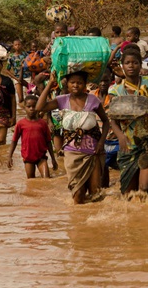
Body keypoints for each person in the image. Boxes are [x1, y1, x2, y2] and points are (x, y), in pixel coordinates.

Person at [36, 71, 110, 204]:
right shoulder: (62, 100)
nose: (76, 85)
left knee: (95, 192)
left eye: (80, 82)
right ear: (67, 85)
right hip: (72, 152)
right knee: (78, 194)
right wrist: (50, 85)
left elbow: (106, 121)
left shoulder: (93, 100)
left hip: (93, 151)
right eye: (73, 82)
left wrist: (101, 143)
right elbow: (39, 107)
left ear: (85, 85)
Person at [109, 48, 148, 199]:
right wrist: (120, 137)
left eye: (135, 63)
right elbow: (113, 119)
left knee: (145, 189)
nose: (131, 66)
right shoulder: (116, 90)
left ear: (140, 65)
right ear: (122, 66)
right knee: (128, 195)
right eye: (128, 63)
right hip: (128, 145)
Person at [8, 95, 58, 178]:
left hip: (41, 157)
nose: (31, 108)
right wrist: (10, 156)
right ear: (24, 107)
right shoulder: (20, 124)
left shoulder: (42, 123)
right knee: (31, 181)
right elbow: (14, 141)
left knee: (47, 179)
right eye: (29, 106)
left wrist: (53, 159)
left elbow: (49, 141)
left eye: (34, 106)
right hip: (28, 159)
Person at [93, 70, 118, 188]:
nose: (103, 83)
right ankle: (104, 189)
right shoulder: (92, 96)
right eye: (101, 81)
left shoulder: (114, 98)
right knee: (103, 166)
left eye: (106, 81)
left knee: (109, 164)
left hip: (113, 137)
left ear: (110, 82)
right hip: (98, 137)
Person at [4, 39, 30, 104]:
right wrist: (15, 78)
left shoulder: (26, 55)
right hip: (17, 78)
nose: (17, 46)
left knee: (29, 97)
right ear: (13, 46)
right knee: (20, 99)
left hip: (27, 77)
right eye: (16, 45)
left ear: (21, 45)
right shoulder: (11, 57)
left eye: (19, 44)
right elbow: (7, 70)